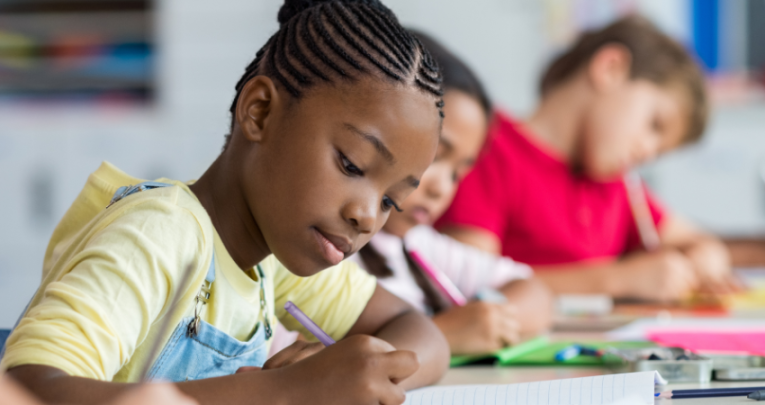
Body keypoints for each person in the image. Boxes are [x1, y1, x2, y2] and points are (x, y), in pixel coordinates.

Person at [0, 1, 450, 404]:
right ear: (259, 112)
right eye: (351, 165)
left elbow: (419, 330)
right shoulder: (159, 238)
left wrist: (362, 375)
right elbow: (27, 389)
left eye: (391, 199)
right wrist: (287, 391)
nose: (367, 216)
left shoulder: (270, 260)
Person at [436, 16, 736, 302]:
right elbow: (469, 284)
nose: (647, 152)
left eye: (659, 151)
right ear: (611, 69)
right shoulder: (488, 148)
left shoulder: (613, 183)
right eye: (654, 125)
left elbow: (696, 240)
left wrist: (704, 256)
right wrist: (619, 280)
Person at [351, 31, 553, 356]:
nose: (441, 187)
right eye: (435, 156)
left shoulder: (417, 246)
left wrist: (487, 316)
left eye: (458, 172)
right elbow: (321, 361)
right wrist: (444, 335)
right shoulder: (332, 250)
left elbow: (535, 293)